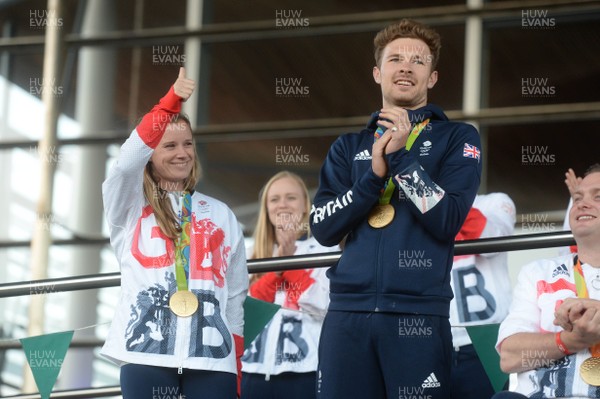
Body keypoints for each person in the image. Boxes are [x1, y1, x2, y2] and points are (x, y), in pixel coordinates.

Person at [310, 19, 482, 398]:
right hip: (346, 316)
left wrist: (402, 158)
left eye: (418, 61)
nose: (406, 66)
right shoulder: (347, 145)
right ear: (377, 72)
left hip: (417, 316)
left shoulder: (458, 137)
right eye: (395, 59)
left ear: (432, 77)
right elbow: (323, 228)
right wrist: (371, 179)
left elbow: (447, 220)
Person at [101, 68, 248, 399]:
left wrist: (236, 358)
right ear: (150, 157)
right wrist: (170, 103)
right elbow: (126, 163)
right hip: (146, 350)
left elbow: (237, 293)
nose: (182, 153)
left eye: (187, 144)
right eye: (169, 145)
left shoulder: (221, 213)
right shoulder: (129, 205)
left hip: (212, 356)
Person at [493, 164, 600, 398]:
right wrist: (569, 340)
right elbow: (509, 356)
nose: (581, 203)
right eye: (577, 197)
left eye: (598, 197)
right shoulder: (538, 272)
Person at [241, 171, 340, 399]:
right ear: (266, 208)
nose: (282, 205)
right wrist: (277, 269)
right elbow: (245, 312)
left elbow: (324, 304)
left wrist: (290, 264)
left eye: (291, 197)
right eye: (274, 199)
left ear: (306, 205)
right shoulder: (249, 254)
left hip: (305, 371)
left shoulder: (325, 250)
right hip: (252, 370)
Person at [449, 193, 516, 398]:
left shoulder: (495, 201)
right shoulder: (419, 206)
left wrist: (443, 199)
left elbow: (492, 241)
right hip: (436, 341)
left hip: (488, 340)